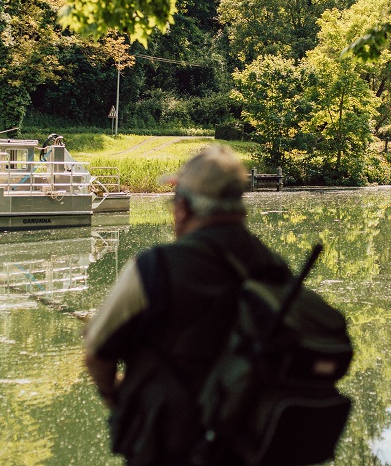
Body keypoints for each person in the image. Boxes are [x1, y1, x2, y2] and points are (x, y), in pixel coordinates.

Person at [83, 145, 293, 465]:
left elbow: (97, 353)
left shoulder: (154, 268)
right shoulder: (273, 267)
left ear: (182, 207)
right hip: (248, 449)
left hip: (171, 448)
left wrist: (116, 396)